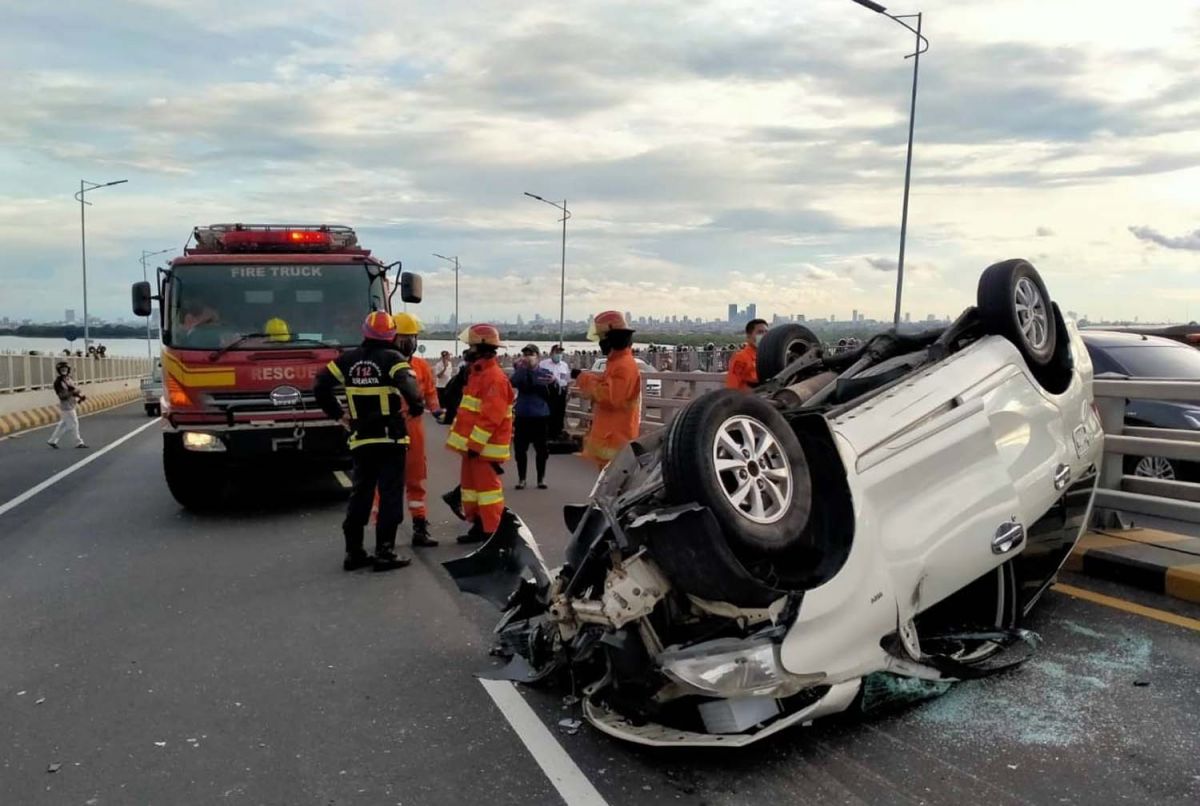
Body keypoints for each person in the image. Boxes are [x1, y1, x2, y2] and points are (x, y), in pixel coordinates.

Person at [314, 311, 425, 572]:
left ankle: (354, 553)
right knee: (389, 494)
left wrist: (338, 414)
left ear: (364, 331)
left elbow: (320, 385)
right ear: (392, 334)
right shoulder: (394, 359)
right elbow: (411, 389)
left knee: (360, 494)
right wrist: (417, 407)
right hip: (390, 438)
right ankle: (385, 552)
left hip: (361, 436)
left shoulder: (347, 360)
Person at [445, 324, 515, 545]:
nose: (468, 349)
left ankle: (492, 532)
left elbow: (490, 418)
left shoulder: (493, 377)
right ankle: (478, 525)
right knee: (471, 490)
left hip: (482, 448)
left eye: (471, 345)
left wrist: (475, 445)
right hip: (473, 448)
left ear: (482, 348)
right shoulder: (478, 373)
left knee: (487, 492)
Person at [387, 313, 442, 547]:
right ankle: (385, 533)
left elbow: (430, 393)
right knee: (387, 481)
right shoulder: (383, 364)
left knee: (416, 479)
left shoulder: (420, 366)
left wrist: (438, 412)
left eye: (411, 337)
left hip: (414, 427)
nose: (408, 342)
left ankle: (420, 526)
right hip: (389, 428)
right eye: (403, 337)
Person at [577, 311, 641, 468]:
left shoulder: (624, 366)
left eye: (602, 338)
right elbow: (606, 385)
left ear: (613, 338)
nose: (601, 342)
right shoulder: (616, 363)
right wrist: (585, 377)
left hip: (617, 439)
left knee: (614, 488)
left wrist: (584, 379)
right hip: (611, 437)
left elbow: (609, 396)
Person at [511, 344, 553, 490]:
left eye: (531, 354)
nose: (528, 357)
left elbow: (552, 388)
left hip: (540, 414)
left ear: (538, 356)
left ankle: (541, 478)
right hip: (523, 413)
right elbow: (514, 382)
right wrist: (521, 368)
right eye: (525, 354)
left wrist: (552, 382)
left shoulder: (544, 372)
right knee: (520, 449)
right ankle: (522, 478)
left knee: (541, 449)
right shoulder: (519, 371)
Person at [47, 362, 87, 449]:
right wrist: (73, 392)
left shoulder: (69, 379)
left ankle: (52, 440)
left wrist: (80, 396)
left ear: (68, 370)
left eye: (65, 369)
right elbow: (62, 396)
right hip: (66, 406)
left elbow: (72, 390)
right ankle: (78, 442)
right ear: (59, 371)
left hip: (71, 404)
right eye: (62, 369)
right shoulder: (58, 382)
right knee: (74, 423)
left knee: (63, 424)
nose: (64, 371)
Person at [538, 344, 571, 439]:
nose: (559, 354)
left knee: (559, 413)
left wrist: (568, 390)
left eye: (560, 352)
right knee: (548, 412)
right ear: (551, 353)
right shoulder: (544, 364)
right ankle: (546, 434)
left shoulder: (564, 365)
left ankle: (557, 433)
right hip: (548, 390)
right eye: (557, 352)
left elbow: (567, 379)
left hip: (561, 391)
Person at [726, 318, 768, 392]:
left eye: (766, 332)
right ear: (748, 336)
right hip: (747, 400)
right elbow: (732, 386)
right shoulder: (741, 358)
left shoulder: (767, 356)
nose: (764, 335)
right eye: (760, 332)